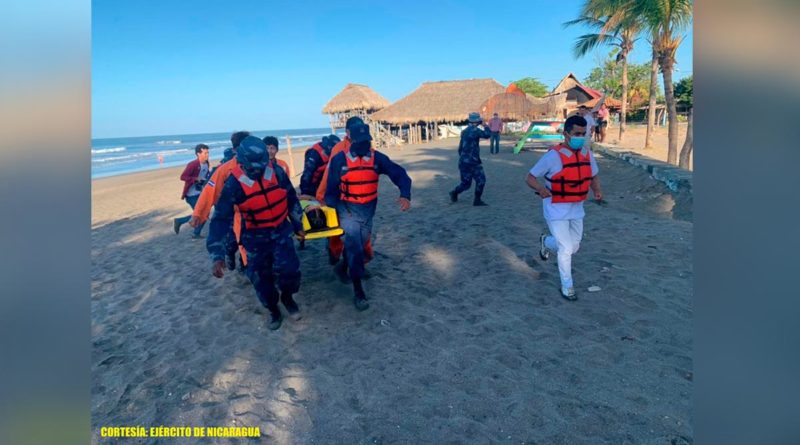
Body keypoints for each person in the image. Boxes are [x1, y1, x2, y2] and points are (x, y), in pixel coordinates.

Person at [206, 136, 306, 330]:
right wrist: (217, 255)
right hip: (255, 239)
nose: (258, 171)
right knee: (262, 279)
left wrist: (297, 224)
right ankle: (273, 309)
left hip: (280, 233)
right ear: (241, 162)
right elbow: (219, 220)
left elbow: (291, 199)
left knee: (291, 273)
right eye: (253, 168)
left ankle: (287, 297)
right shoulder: (233, 185)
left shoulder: (276, 172)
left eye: (261, 166)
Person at [324, 124, 412, 311]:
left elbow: (400, 174)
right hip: (347, 211)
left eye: (367, 141)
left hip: (368, 211)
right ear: (351, 140)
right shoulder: (340, 160)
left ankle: (342, 267)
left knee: (358, 245)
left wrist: (405, 194)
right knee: (356, 249)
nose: (364, 145)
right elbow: (330, 191)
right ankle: (358, 291)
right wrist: (333, 213)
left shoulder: (377, 158)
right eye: (360, 141)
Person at [525, 115, 603, 301]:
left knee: (574, 246)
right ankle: (567, 286)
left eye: (583, 134)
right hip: (555, 208)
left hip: (576, 207)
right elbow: (530, 177)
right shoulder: (553, 156)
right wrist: (541, 189)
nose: (580, 137)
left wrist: (597, 191)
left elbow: (593, 176)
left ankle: (546, 242)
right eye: (577, 133)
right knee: (566, 248)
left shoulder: (586, 154)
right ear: (566, 134)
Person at [315, 117, 375, 266]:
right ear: (347, 132)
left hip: (362, 201)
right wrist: (321, 196)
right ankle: (335, 256)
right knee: (337, 232)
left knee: (363, 235)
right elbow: (328, 174)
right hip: (341, 198)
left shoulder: (370, 150)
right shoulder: (338, 149)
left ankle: (361, 260)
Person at [190, 131, 251, 271]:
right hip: (238, 215)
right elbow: (209, 192)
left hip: (262, 214)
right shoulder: (225, 170)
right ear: (236, 149)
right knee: (238, 244)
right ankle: (240, 262)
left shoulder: (263, 165)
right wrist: (198, 214)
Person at [449, 112, 492, 206]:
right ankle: (477, 200)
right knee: (481, 180)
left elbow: (460, 148)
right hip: (473, 162)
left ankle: (454, 192)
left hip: (463, 161)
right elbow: (488, 135)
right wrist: (485, 125)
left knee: (466, 184)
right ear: (478, 121)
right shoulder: (475, 130)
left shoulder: (464, 131)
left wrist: (463, 157)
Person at [174, 144, 211, 238]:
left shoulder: (206, 163)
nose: (207, 155)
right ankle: (184, 225)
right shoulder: (192, 164)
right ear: (198, 154)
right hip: (191, 195)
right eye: (205, 153)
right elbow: (183, 177)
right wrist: (195, 179)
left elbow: (205, 176)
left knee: (203, 214)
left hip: (200, 192)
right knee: (201, 214)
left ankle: (194, 232)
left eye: (208, 153)